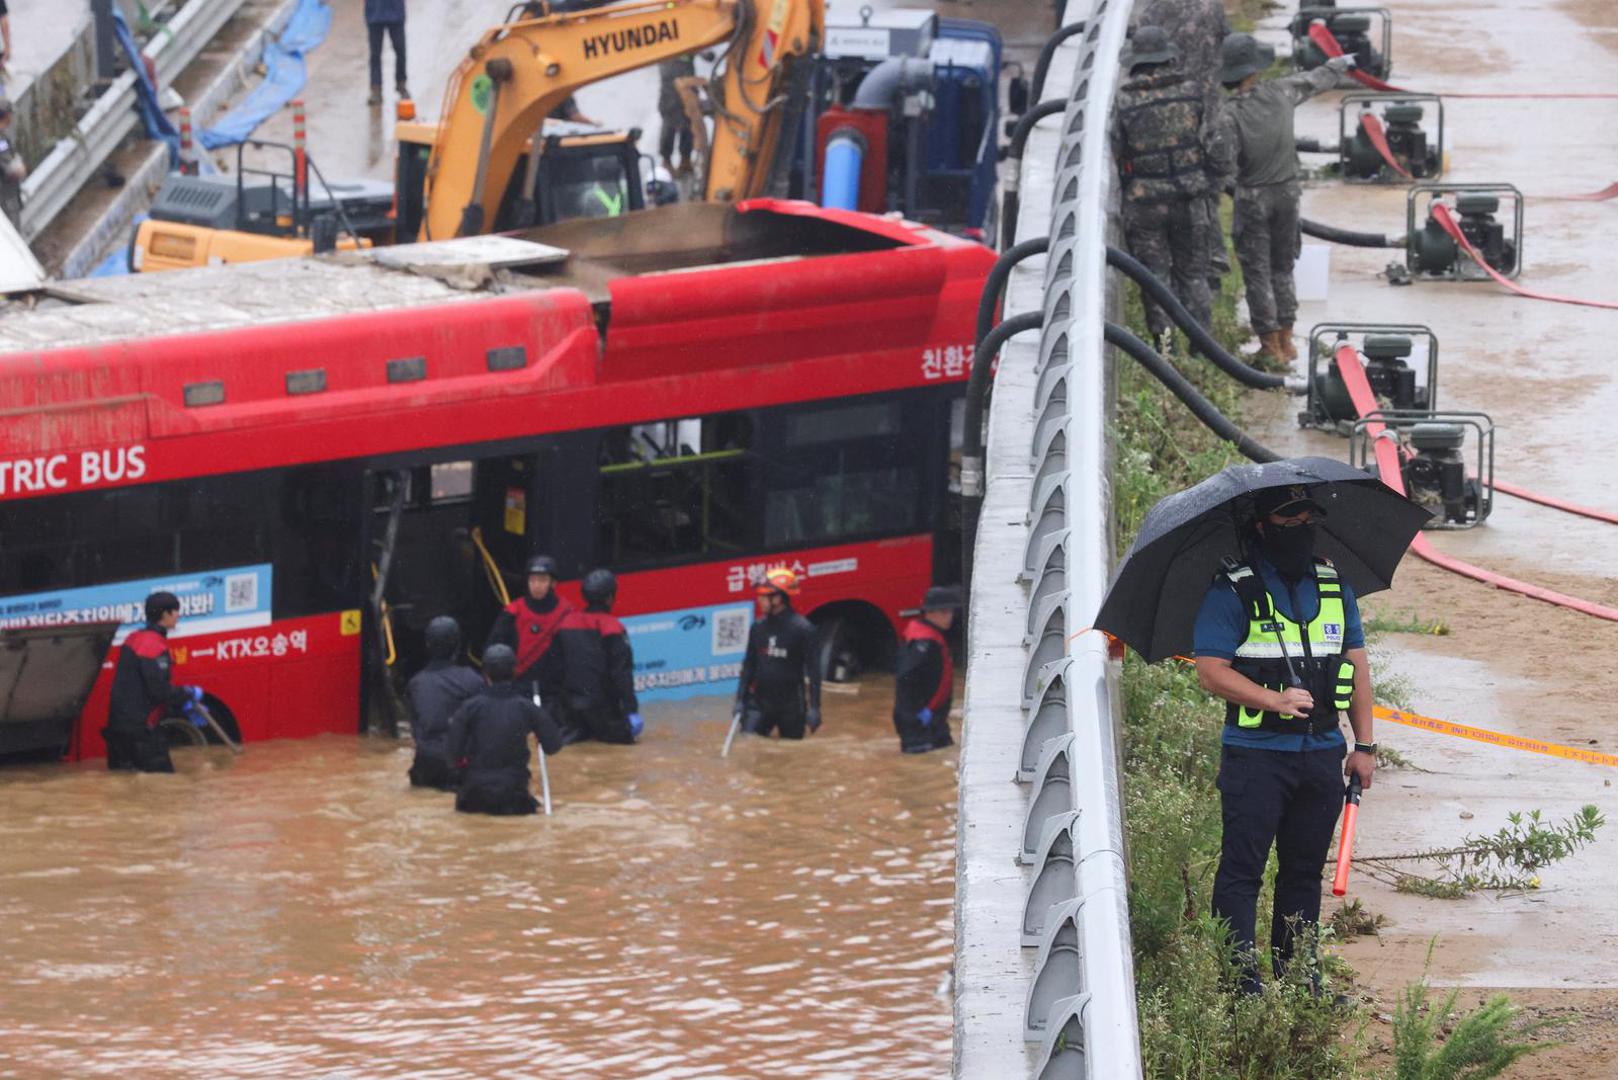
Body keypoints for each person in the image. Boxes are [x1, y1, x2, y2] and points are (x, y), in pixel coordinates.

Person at [1192, 484, 1376, 995]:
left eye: (1307, 521)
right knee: (1241, 873)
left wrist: (1364, 746)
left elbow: (1357, 668)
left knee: (1301, 874)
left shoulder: (1336, 588)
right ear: (1261, 527)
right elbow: (1210, 672)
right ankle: (1240, 986)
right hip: (1256, 758)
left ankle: (1300, 983)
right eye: (1287, 522)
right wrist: (1273, 700)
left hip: (1321, 756)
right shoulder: (1231, 590)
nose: (1299, 530)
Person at [1211, 34, 1354, 364]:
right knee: (1283, 266)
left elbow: (1222, 163)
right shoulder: (1282, 91)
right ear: (1256, 69)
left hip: (1252, 198)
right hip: (1288, 195)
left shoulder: (1229, 115)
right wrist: (1339, 63)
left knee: (1257, 271)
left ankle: (1270, 345)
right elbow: (1317, 80)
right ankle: (1289, 341)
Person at [1111, 27, 1216, 341]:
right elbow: (1208, 138)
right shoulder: (1191, 90)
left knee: (1155, 279)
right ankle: (1204, 346)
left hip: (1145, 204)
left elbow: (1117, 147)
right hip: (1190, 199)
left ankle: (1166, 352)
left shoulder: (1125, 100)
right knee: (1194, 274)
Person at [1133, 0, 1231, 287]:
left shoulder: (1154, 10)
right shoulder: (1212, 6)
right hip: (1209, 110)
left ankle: (1183, 275)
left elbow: (1143, 59)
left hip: (1173, 113)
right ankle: (1211, 261)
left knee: (1183, 185)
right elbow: (1225, 46)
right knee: (1207, 187)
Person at [446, 644, 565, 815]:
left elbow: (452, 756)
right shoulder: (527, 708)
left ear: (485, 673)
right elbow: (553, 746)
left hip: (474, 796)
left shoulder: (469, 708)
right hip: (514, 795)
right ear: (515, 671)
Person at [484, 553, 579, 739]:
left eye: (543, 580)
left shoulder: (567, 613)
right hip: (518, 689)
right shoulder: (513, 612)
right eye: (533, 580)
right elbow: (493, 647)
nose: (536, 585)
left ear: (553, 583)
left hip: (552, 693)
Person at [103, 592, 199, 773]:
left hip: (118, 731)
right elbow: (159, 691)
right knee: (163, 788)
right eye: (176, 611)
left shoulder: (133, 639)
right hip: (142, 733)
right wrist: (189, 693)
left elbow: (135, 687)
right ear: (165, 614)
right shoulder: (154, 646)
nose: (178, 615)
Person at [734, 568, 821, 740]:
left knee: (791, 755)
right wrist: (740, 700)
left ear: (778, 598)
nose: (758, 600)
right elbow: (749, 665)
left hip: (791, 706)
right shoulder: (757, 627)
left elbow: (814, 672)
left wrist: (815, 708)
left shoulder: (804, 630)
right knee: (749, 746)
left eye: (763, 596)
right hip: (759, 704)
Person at [557, 569, 642, 744]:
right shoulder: (613, 627)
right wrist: (631, 711)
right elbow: (622, 675)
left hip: (570, 710)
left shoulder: (565, 623)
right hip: (603, 710)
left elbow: (555, 666)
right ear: (610, 597)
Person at [404, 616, 485, 790]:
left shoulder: (415, 684)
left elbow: (416, 728)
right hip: (461, 767)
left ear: (427, 645)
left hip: (425, 767)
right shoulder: (473, 680)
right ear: (458, 645)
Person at [892, 586, 961, 754]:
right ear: (930, 613)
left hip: (934, 719)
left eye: (950, 611)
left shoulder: (931, 636)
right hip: (919, 723)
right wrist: (916, 714)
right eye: (944, 612)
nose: (949, 617)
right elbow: (904, 677)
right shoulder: (923, 643)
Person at [364, 0, 408, 107]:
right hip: (374, 14)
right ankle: (376, 90)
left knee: (400, 51)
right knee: (375, 55)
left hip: (396, 13)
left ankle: (401, 85)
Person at [658, 56, 696, 177]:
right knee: (670, 126)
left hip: (687, 88)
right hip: (670, 91)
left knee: (687, 125)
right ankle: (667, 161)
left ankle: (685, 160)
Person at [0, 98, 25, 229]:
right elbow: (11, 169)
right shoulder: (1, 140)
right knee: (13, 231)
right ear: (7, 115)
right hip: (6, 196)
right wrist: (19, 167)